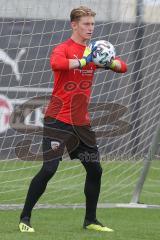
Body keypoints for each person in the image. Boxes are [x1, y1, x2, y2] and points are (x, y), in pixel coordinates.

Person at [19, 6, 127, 233]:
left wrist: (108, 62)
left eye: (92, 24)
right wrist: (83, 61)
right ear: (74, 25)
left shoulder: (96, 50)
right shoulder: (64, 48)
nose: (91, 28)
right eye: (86, 24)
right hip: (57, 120)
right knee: (49, 170)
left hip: (81, 123)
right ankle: (25, 218)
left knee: (95, 170)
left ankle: (91, 220)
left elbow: (122, 67)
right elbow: (57, 65)